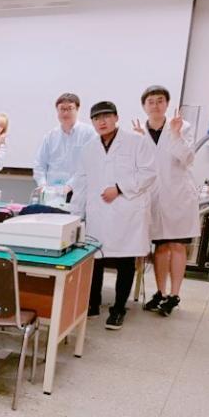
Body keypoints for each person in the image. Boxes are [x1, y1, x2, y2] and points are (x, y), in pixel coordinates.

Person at [71, 101, 156, 330]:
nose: (102, 122)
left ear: (116, 117)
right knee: (95, 259)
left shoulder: (136, 142)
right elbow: (81, 181)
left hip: (127, 211)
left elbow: (149, 173)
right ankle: (93, 304)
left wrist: (119, 188)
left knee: (125, 260)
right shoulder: (89, 148)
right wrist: (75, 213)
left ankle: (118, 308)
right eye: (97, 118)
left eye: (106, 116)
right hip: (98, 213)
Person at [134, 85, 198, 317]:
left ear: (167, 104)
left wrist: (177, 134)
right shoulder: (139, 131)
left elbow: (188, 158)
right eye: (151, 102)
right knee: (160, 247)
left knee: (177, 245)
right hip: (153, 197)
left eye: (160, 101)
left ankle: (174, 295)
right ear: (144, 106)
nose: (156, 105)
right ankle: (160, 292)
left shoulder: (182, 126)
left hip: (178, 195)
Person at [32, 92, 97, 191]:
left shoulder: (89, 134)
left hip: (79, 191)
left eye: (70, 108)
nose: (65, 113)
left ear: (77, 109)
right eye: (62, 109)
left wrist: (70, 186)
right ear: (57, 111)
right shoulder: (50, 136)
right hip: (52, 192)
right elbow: (39, 164)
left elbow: (90, 165)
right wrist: (42, 185)